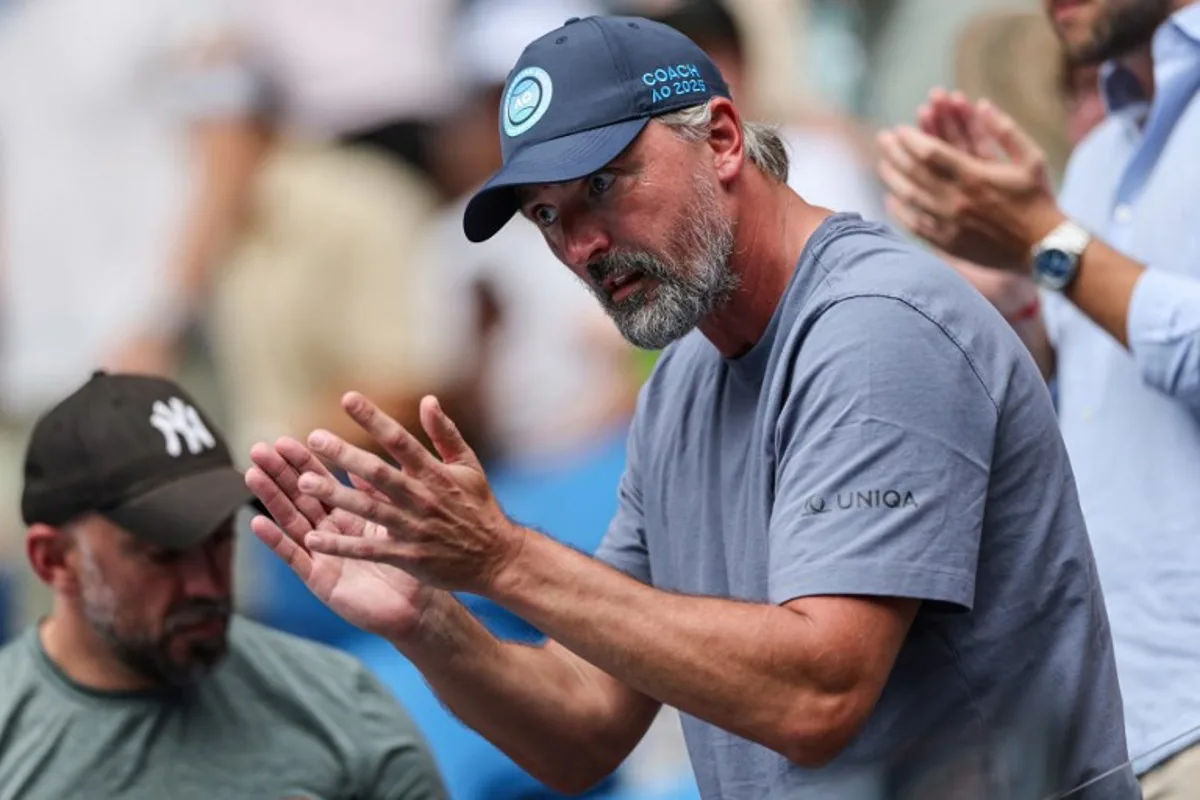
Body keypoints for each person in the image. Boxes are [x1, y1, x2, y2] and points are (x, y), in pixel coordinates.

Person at [245, 15, 1138, 799]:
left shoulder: (874, 328)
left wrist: (501, 558)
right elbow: (586, 728)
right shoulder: (684, 381)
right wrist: (429, 614)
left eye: (604, 183)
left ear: (719, 139)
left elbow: (817, 695)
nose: (583, 244)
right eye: (547, 218)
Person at [875, 1, 1200, 795]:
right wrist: (1009, 268)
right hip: (1120, 733)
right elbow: (1092, 390)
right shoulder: (1097, 161)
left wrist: (1046, 237)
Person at [0, 372, 446, 800]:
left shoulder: (341, 704)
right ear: (55, 560)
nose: (207, 584)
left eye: (219, 539)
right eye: (163, 553)